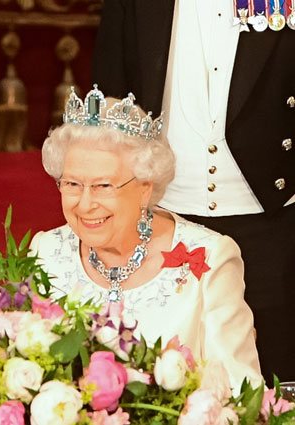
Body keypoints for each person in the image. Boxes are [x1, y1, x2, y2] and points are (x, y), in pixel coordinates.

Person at [91, 0, 295, 382]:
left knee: (273, 380)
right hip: (165, 216)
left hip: (272, 215)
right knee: (164, 378)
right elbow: (112, 88)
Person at [29, 87, 262, 390]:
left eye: (103, 186)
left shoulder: (211, 257)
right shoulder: (44, 251)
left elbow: (240, 392)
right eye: (72, 183)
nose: (85, 204)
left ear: (145, 187)